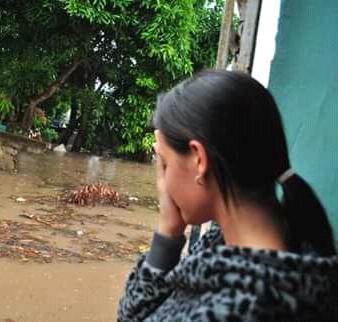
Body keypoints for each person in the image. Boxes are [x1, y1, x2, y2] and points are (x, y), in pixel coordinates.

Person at [117, 70, 338, 321]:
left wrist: (167, 233)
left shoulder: (239, 310)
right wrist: (169, 230)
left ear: (199, 160)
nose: (163, 182)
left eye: (165, 165)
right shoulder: (285, 245)